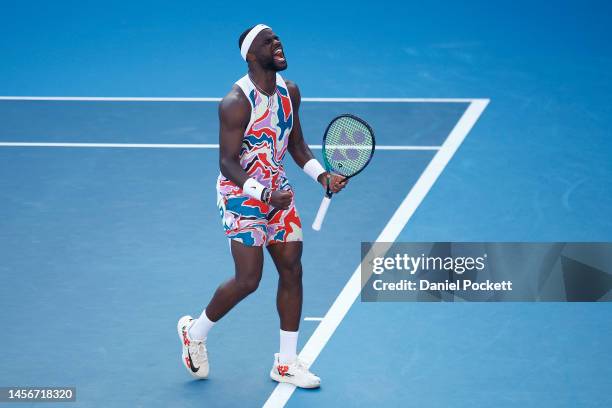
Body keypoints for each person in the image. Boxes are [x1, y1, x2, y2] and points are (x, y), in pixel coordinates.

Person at [177, 24, 347, 388]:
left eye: (278, 38)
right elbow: (227, 162)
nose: (277, 43)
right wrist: (263, 194)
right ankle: (195, 332)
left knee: (292, 268)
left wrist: (322, 177)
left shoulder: (291, 92)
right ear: (252, 56)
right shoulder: (236, 102)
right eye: (268, 42)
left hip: (278, 190)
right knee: (248, 279)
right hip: (241, 195)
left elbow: (297, 146)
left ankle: (286, 363)